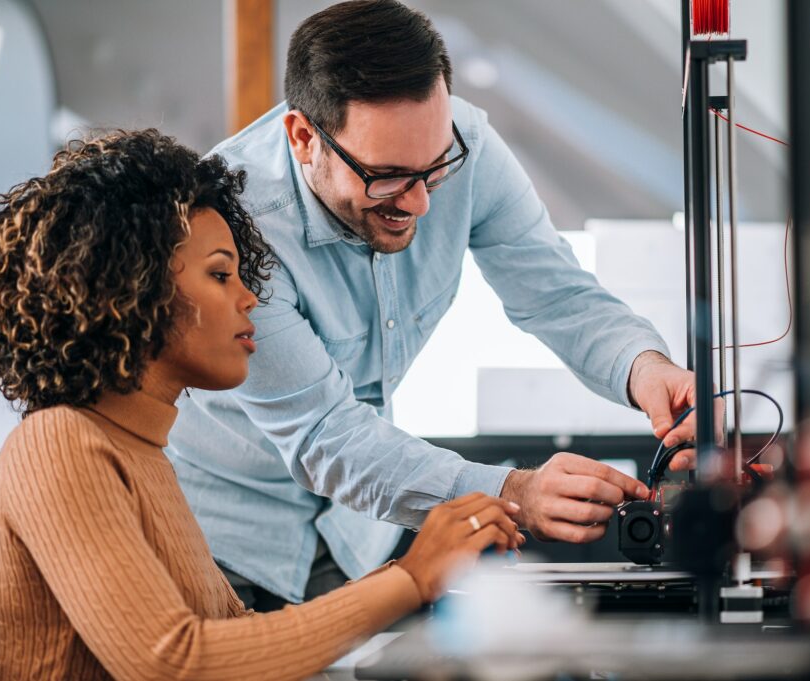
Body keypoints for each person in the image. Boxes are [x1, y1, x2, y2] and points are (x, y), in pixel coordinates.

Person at [167, 0, 700, 608]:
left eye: (434, 169)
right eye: (388, 177)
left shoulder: (462, 143)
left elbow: (555, 292)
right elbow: (325, 436)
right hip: (226, 539)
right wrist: (514, 490)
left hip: (354, 535)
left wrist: (646, 368)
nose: (420, 203)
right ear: (303, 137)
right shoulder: (236, 226)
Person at [0, 129, 520, 681]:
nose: (249, 296)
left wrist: (416, 570)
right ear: (130, 291)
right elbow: (174, 662)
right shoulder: (59, 444)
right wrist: (412, 578)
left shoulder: (145, 452)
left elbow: (239, 638)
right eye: (220, 274)